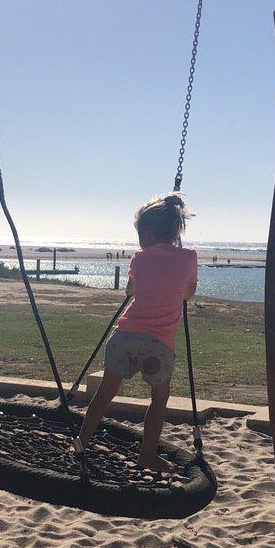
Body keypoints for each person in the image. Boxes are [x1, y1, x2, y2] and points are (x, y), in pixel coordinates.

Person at [74, 193, 197, 472]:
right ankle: (148, 455)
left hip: (124, 338)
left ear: (149, 232)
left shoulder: (139, 259)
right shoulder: (189, 258)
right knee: (159, 398)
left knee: (105, 393)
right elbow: (188, 293)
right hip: (159, 345)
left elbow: (131, 290)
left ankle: (81, 441)